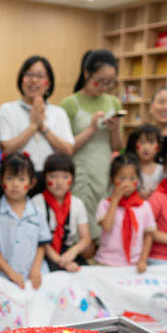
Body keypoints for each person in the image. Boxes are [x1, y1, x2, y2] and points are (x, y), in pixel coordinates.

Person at [61, 49, 124, 235]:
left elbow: (118, 147)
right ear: (87, 73)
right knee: (81, 219)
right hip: (80, 171)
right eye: (99, 81)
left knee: (104, 216)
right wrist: (91, 129)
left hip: (104, 171)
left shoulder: (113, 103)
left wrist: (113, 129)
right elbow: (65, 148)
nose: (104, 86)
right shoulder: (69, 104)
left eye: (109, 83)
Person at [0, 56, 74, 174]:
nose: (33, 80)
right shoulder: (7, 109)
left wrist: (42, 126)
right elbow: (7, 148)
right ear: (21, 79)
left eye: (40, 76)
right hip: (16, 179)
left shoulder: (58, 112)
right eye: (28, 75)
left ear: (48, 83)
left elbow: (68, 150)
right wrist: (33, 125)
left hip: (49, 178)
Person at [0, 154, 51, 289]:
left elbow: (42, 244)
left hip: (34, 276)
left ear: (31, 183)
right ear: (0, 180)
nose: (15, 184)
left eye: (21, 179)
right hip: (2, 276)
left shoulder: (37, 212)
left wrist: (36, 269)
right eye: (9, 178)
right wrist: (10, 272)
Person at [32, 153, 93, 272]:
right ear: (45, 177)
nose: (59, 182)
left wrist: (72, 253)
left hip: (69, 252)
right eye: (53, 176)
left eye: (65, 177)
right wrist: (60, 261)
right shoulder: (36, 202)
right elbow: (39, 239)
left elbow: (85, 238)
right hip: (43, 253)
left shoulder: (77, 203)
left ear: (72, 179)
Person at [94, 154, 155, 272]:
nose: (126, 183)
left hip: (134, 264)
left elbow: (148, 235)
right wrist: (115, 199)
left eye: (132, 179)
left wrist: (142, 260)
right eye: (121, 178)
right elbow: (107, 227)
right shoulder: (105, 204)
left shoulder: (144, 206)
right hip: (106, 262)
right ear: (112, 179)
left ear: (138, 180)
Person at [125, 124, 163, 197]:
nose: (146, 147)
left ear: (158, 147)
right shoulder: (129, 170)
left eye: (151, 143)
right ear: (135, 145)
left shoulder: (162, 170)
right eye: (142, 142)